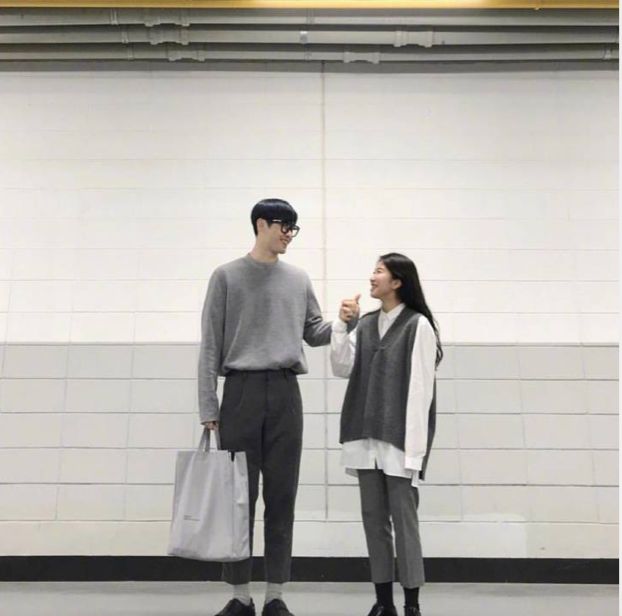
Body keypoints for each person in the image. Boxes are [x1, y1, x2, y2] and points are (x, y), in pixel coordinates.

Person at [198, 198, 357, 616]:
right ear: (260, 224)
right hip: (240, 392)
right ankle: (240, 596)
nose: (289, 234)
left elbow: (314, 332)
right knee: (239, 499)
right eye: (283, 225)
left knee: (283, 495)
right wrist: (208, 406)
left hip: (286, 392)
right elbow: (210, 344)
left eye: (293, 228)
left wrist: (345, 322)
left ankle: (275, 595)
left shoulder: (298, 279)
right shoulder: (226, 277)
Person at [330, 253, 442, 616]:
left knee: (405, 526)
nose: (371, 277)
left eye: (379, 271)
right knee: (373, 522)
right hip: (365, 439)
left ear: (397, 282)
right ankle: (383, 603)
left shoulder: (418, 326)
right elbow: (341, 367)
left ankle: (412, 604)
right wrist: (341, 325)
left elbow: (421, 393)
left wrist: (415, 453)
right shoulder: (365, 324)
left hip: (399, 444)